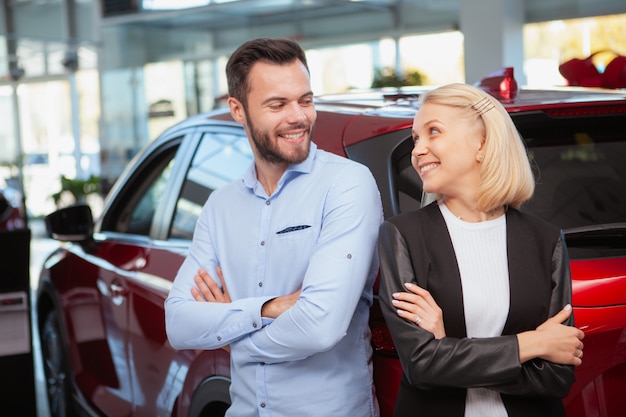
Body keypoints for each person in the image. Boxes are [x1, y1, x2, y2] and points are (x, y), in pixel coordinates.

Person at [164, 37, 383, 417]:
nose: (298, 116)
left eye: (306, 100)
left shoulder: (347, 184)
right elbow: (179, 323)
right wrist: (271, 307)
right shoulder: (220, 206)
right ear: (238, 109)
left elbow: (319, 326)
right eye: (277, 104)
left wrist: (233, 337)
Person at [378, 83, 585, 417]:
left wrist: (449, 350)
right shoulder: (402, 235)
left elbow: (558, 376)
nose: (418, 150)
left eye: (434, 132)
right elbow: (422, 364)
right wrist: (531, 344)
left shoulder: (545, 240)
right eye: (417, 138)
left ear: (483, 143)